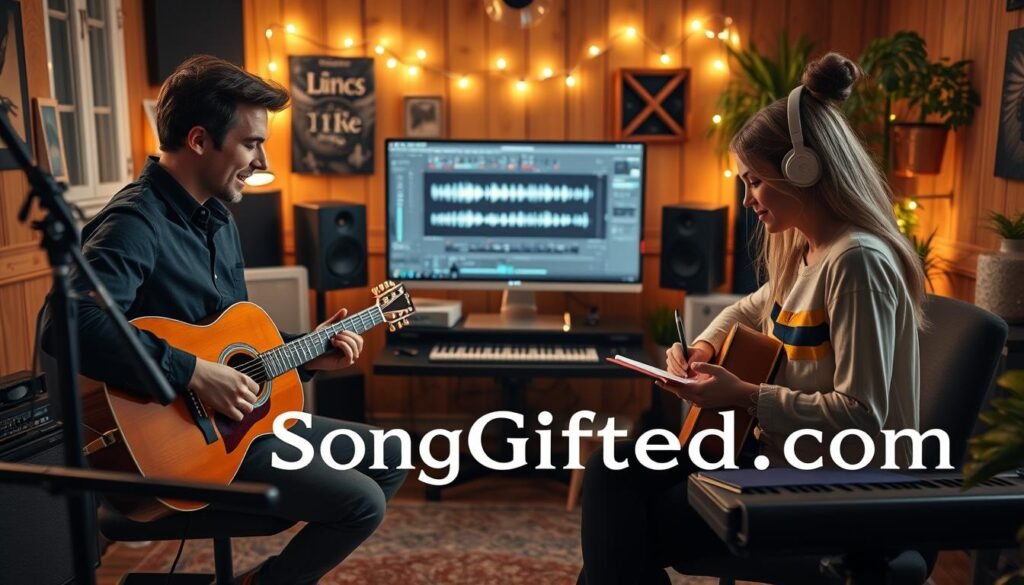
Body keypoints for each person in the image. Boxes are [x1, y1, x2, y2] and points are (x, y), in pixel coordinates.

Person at [40, 55, 407, 585]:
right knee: (361, 502)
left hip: (239, 429)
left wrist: (308, 354)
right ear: (198, 141)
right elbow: (67, 323)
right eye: (251, 143)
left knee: (392, 453)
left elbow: (234, 347)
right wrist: (190, 372)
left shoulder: (218, 218)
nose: (260, 160)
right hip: (178, 450)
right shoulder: (135, 222)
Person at [577, 52, 927, 584]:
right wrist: (703, 348)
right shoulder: (806, 250)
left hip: (846, 488)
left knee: (629, 525)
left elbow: (862, 417)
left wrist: (741, 395)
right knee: (612, 470)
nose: (748, 200)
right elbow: (746, 307)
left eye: (755, 182)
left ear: (803, 171)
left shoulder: (856, 262)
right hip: (782, 459)